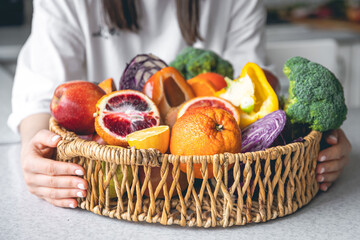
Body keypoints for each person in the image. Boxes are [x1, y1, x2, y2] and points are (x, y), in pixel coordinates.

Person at [9, 0, 351, 209]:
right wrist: (32, 149)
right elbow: (40, 92)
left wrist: (321, 136)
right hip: (112, 181)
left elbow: (255, 89)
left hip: (218, 187)